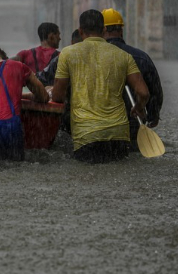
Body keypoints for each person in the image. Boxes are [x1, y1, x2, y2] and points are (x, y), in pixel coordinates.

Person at [51, 9, 149, 164]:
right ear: (103, 30)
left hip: (86, 135)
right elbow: (143, 92)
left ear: (80, 31)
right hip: (119, 136)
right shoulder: (123, 56)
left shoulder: (67, 54)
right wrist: (139, 107)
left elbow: (58, 96)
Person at [102, 8, 164, 151]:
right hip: (133, 125)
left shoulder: (92, 58)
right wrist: (153, 115)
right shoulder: (141, 57)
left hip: (100, 128)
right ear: (121, 31)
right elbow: (154, 90)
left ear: (102, 30)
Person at [36, 28, 82, 135]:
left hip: (66, 116)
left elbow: (41, 79)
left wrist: (50, 89)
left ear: (72, 43)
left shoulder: (63, 58)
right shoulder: (104, 59)